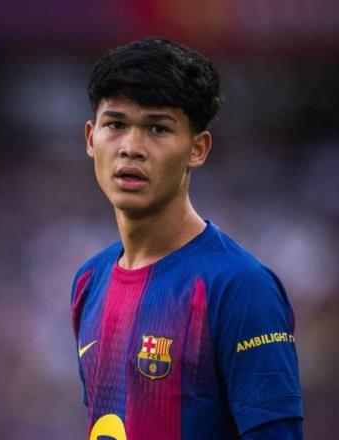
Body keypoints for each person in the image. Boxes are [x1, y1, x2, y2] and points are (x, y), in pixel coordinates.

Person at [70, 37, 303, 440]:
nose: (131, 148)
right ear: (91, 138)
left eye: (158, 128)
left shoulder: (240, 287)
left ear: (198, 148)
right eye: (116, 124)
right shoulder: (89, 281)